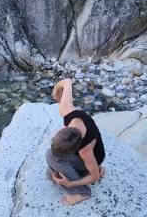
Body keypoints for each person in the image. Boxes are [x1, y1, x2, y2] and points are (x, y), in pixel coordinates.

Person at [46, 78, 106, 206]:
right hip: (84, 156)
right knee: (50, 173)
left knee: (50, 156)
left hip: (94, 157)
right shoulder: (68, 111)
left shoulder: (85, 150)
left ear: (73, 151)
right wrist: (57, 91)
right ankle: (86, 170)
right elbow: (67, 81)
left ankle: (82, 192)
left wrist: (70, 183)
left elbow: (94, 177)